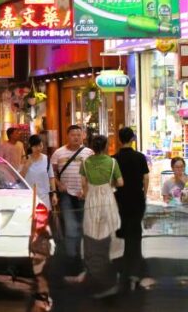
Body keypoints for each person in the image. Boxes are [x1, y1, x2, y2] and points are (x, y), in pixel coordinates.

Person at [76, 134, 124, 297]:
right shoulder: (112, 162)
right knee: (111, 227)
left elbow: (83, 183)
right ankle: (111, 261)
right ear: (105, 147)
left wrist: (86, 192)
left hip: (92, 198)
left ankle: (92, 266)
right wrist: (109, 183)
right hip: (107, 196)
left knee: (91, 230)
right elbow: (121, 182)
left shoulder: (85, 162)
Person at [112, 127, 154, 290]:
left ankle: (123, 265)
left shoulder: (114, 158)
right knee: (135, 231)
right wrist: (144, 194)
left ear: (119, 139)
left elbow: (113, 181)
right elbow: (145, 177)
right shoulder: (140, 157)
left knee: (122, 227)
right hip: (137, 198)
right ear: (133, 139)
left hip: (120, 198)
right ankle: (135, 264)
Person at [50, 124, 93, 276]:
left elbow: (93, 174)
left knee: (83, 227)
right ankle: (71, 258)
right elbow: (52, 173)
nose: (76, 137)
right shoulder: (58, 153)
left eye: (78, 134)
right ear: (67, 136)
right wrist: (58, 184)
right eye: (73, 134)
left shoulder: (89, 153)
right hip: (66, 194)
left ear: (83, 136)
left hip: (83, 195)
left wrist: (86, 190)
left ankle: (81, 257)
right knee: (71, 227)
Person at [21, 134, 54, 206]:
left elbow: (51, 177)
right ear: (30, 146)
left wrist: (54, 194)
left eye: (40, 145)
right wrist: (26, 166)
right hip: (28, 196)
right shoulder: (25, 159)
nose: (39, 148)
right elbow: (20, 178)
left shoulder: (47, 159)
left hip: (44, 196)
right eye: (36, 146)